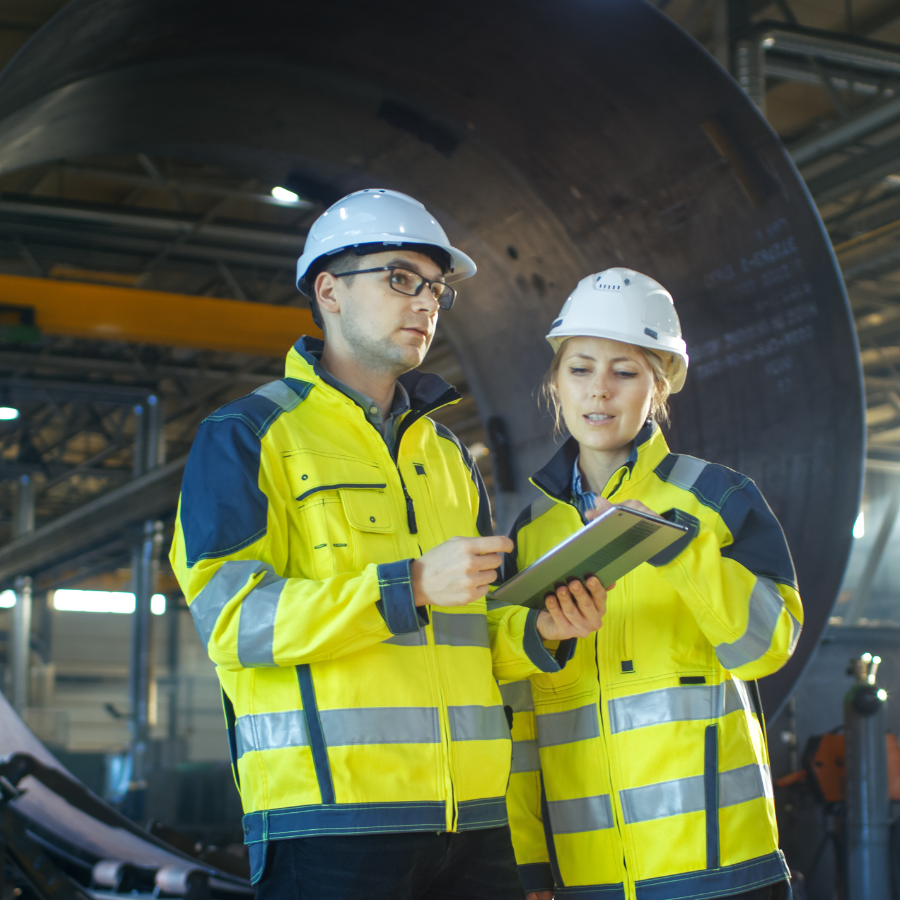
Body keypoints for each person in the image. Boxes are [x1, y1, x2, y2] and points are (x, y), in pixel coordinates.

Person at [169, 189, 609, 900]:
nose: (425, 302)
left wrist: (539, 633)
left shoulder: (446, 455)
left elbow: (473, 638)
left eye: (436, 289)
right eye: (401, 278)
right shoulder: (247, 436)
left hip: (474, 823)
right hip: (330, 825)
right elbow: (235, 622)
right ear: (330, 289)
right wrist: (407, 585)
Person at [500, 268, 803, 900]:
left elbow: (768, 645)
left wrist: (673, 547)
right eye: (579, 369)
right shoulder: (527, 536)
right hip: (589, 877)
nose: (599, 392)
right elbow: (518, 716)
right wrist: (528, 861)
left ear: (658, 386)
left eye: (626, 371)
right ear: (556, 381)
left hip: (722, 868)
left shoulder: (718, 499)